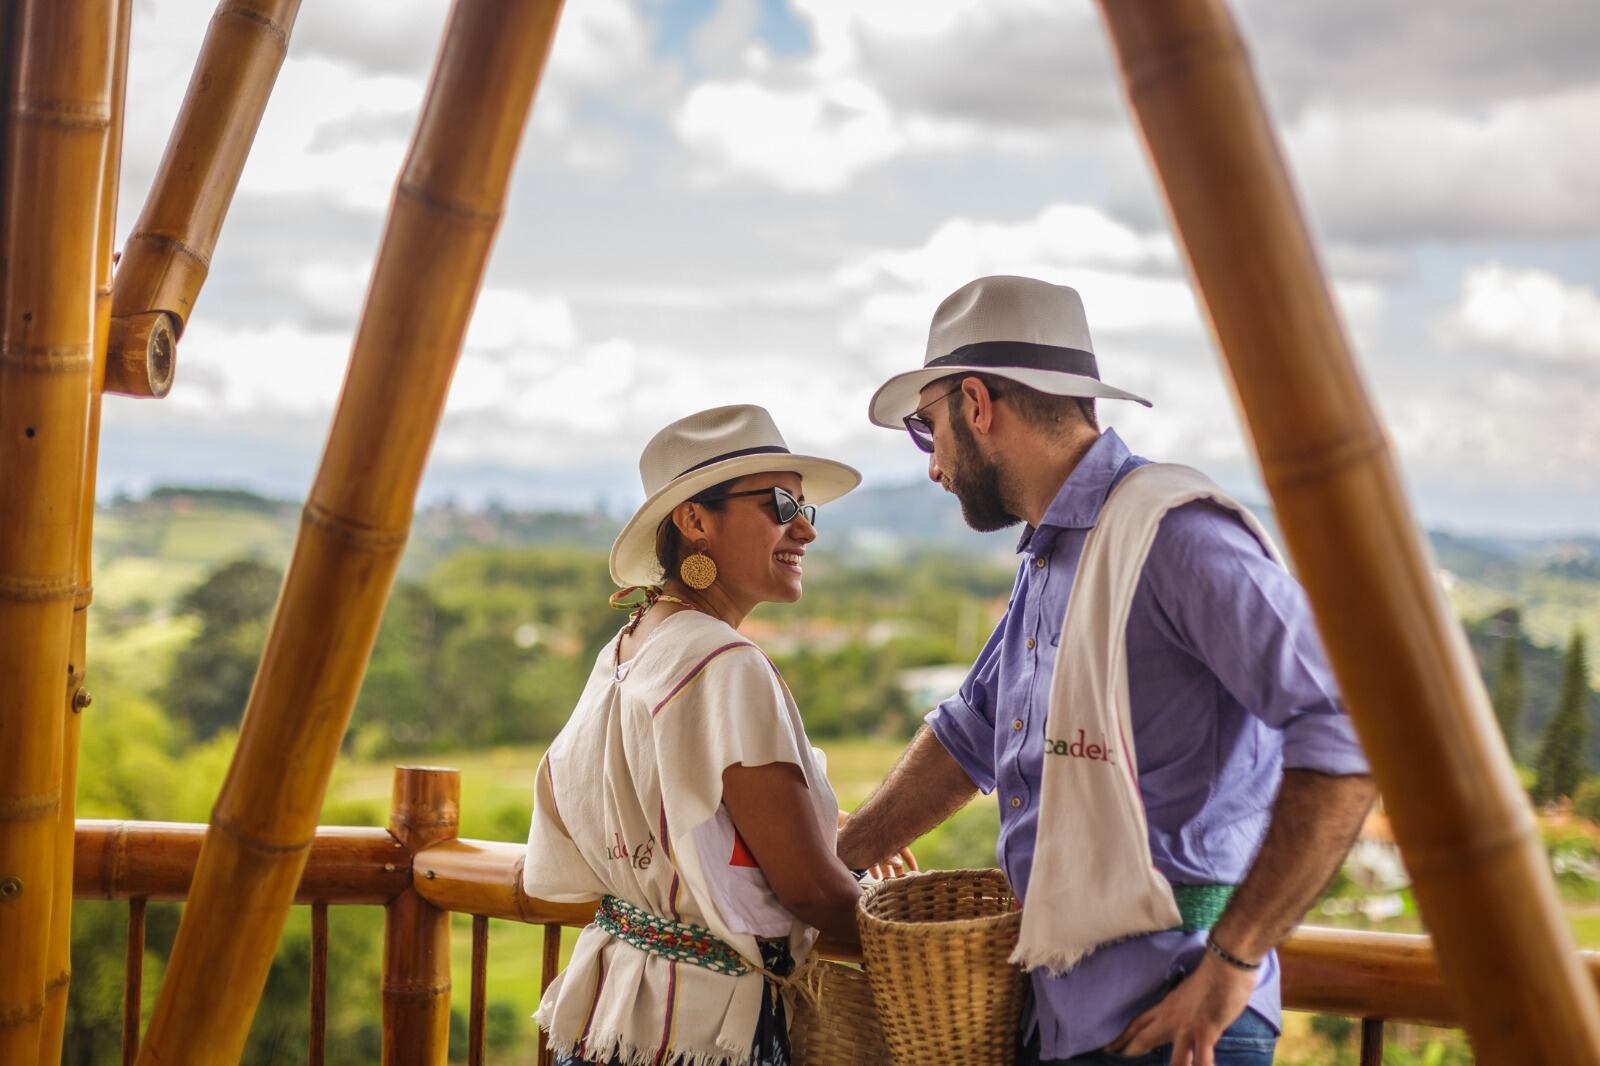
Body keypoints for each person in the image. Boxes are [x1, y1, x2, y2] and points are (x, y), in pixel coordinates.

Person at [837, 276, 1377, 1066]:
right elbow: (971, 737)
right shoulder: (1052, 557)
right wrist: (836, 860)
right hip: (1062, 1021)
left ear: (978, 405)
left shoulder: (1174, 535)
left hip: (1180, 1022)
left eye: (928, 428)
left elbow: (1347, 727)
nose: (932, 465)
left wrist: (1234, 962)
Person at [525, 404, 881, 1066]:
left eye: (806, 509)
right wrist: (912, 937)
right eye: (780, 504)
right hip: (700, 1030)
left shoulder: (628, 649)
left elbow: (698, 827)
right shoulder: (725, 664)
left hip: (613, 1011)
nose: (804, 529)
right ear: (693, 520)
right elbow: (805, 888)